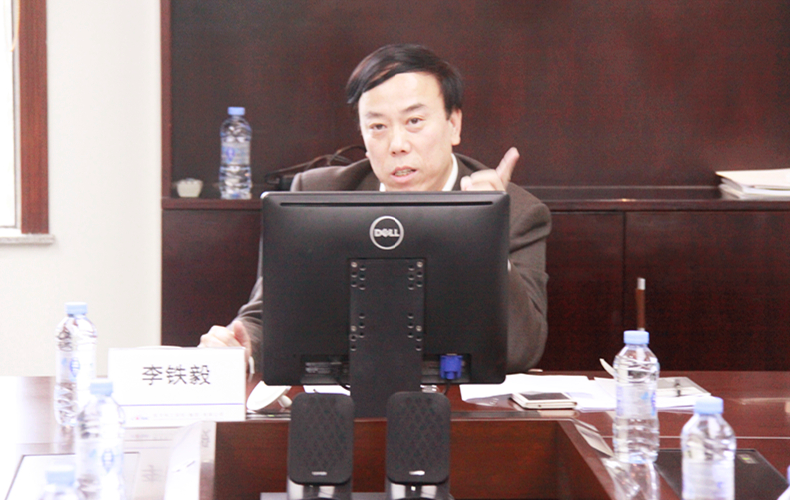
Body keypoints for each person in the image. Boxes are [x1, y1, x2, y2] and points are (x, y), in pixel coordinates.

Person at [199, 43, 551, 374]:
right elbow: (266, 315)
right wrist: (242, 344)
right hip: (343, 396)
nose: (397, 144)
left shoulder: (517, 212)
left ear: (453, 124)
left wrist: (487, 234)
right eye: (378, 127)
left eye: (414, 122)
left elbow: (523, 349)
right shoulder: (316, 196)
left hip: (458, 401)